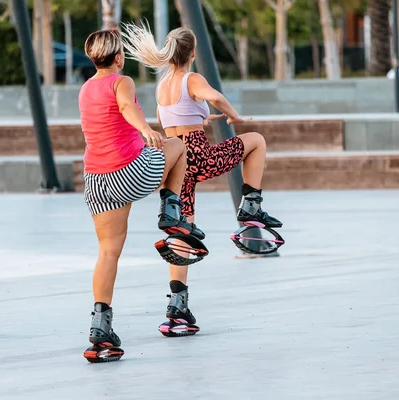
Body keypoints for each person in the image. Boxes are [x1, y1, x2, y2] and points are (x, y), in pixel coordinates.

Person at [121, 23, 282, 334]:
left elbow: (175, 120)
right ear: (193, 53)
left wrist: (202, 116)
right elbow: (216, 96)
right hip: (197, 155)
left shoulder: (162, 85)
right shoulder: (192, 78)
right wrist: (233, 115)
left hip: (176, 164)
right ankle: (251, 205)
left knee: (181, 232)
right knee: (256, 141)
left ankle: (176, 308)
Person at [78, 29, 205, 360]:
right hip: (129, 172)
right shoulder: (122, 81)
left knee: (108, 252)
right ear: (118, 58)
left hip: (96, 181)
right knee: (178, 146)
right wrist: (145, 128)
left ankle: (100, 329)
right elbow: (124, 106)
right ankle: (171, 211)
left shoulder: (86, 88)